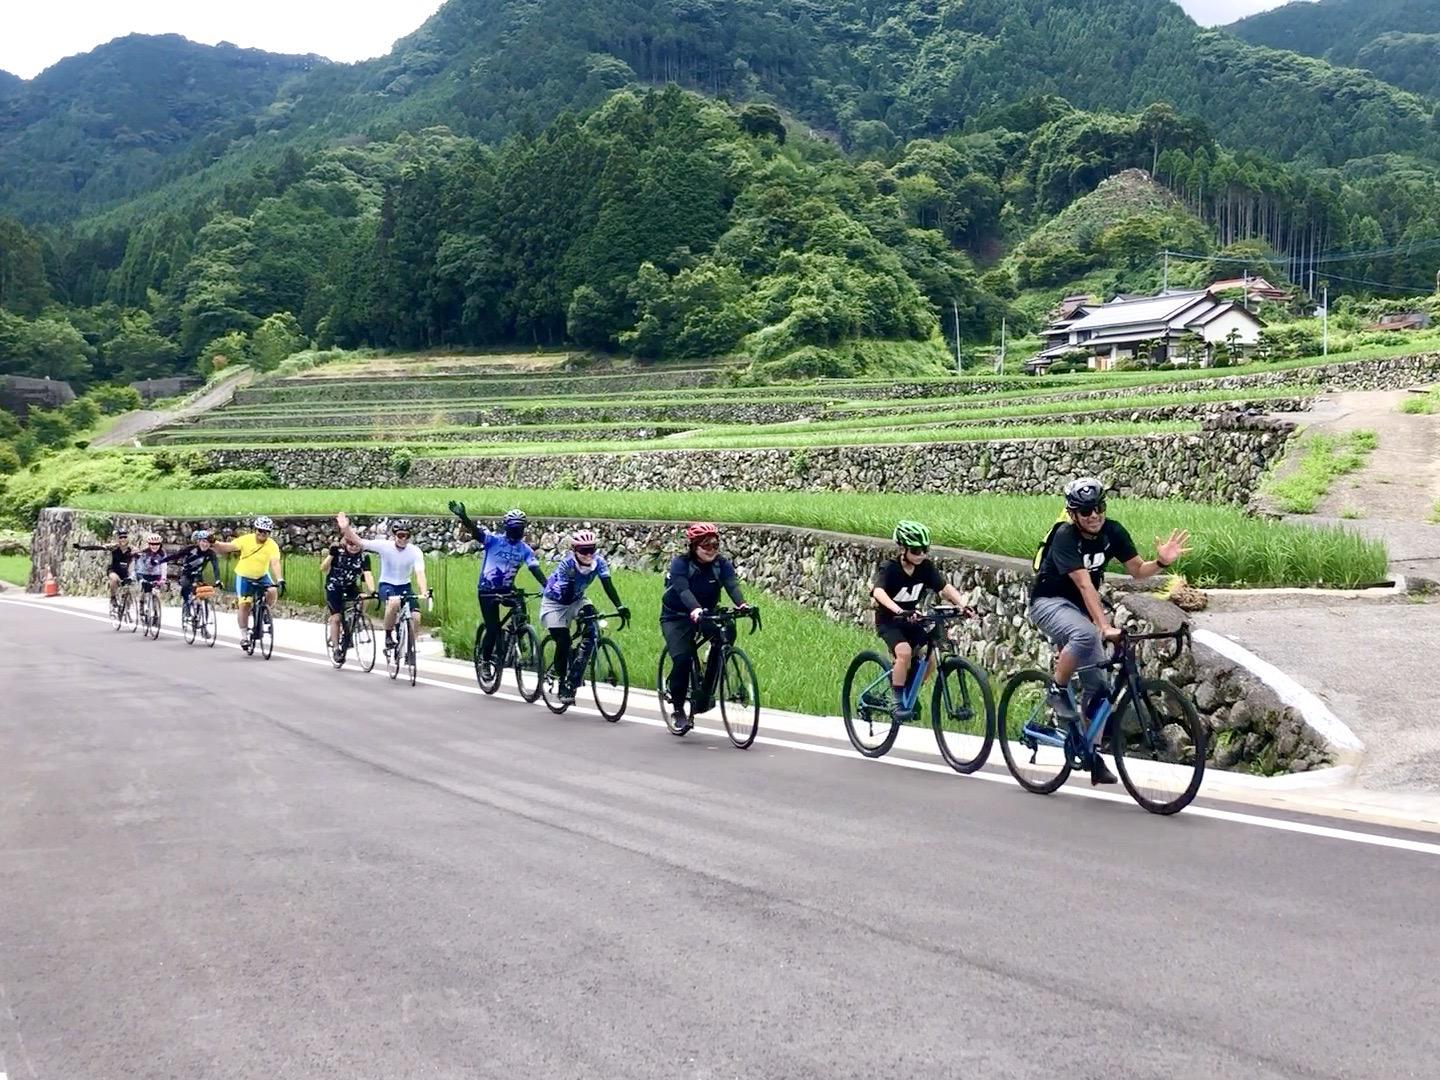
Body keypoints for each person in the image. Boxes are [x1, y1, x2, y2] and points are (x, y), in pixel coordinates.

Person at [1028, 476, 1189, 785]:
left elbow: (1138, 571)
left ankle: (1089, 750)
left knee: (1100, 688)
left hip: (1079, 610)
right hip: (1049, 602)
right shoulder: (1064, 536)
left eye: (1099, 508)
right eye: (1086, 511)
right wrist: (1103, 626)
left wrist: (1161, 562)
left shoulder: (1112, 531)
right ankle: (1057, 690)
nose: (1094, 516)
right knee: (1086, 635)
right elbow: (1084, 583)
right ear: (1073, 513)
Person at [871, 520, 965, 723]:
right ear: (903, 549)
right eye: (916, 550)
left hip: (912, 620)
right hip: (889, 621)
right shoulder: (890, 568)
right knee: (903, 653)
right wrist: (898, 610)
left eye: (925, 550)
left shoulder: (926, 568)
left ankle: (909, 692)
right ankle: (897, 702)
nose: (921, 555)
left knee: (930, 659)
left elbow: (944, 588)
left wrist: (963, 604)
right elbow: (878, 591)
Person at [659, 522, 749, 732]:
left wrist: (742, 604)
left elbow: (731, 585)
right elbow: (682, 590)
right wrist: (695, 609)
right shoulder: (680, 564)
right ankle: (679, 709)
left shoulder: (721, 564)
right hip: (676, 616)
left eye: (715, 545)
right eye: (705, 545)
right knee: (682, 660)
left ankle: (705, 692)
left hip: (707, 612)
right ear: (693, 546)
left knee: (726, 633)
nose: (711, 550)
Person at [448, 502, 548, 679]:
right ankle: (485, 661)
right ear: (507, 528)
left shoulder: (524, 549)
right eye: (514, 528)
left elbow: (535, 569)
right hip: (487, 590)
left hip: (508, 588)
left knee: (521, 604)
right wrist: (463, 517)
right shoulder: (494, 541)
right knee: (493, 629)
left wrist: (547, 587)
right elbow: (476, 532)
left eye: (521, 528)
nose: (518, 531)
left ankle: (520, 635)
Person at [539, 529, 628, 705]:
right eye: (583, 550)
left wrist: (620, 606)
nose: (588, 555)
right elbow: (565, 597)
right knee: (563, 642)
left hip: (578, 599)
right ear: (574, 550)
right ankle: (563, 684)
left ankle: (576, 673)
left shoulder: (599, 562)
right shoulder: (566, 565)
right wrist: (571, 581)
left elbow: (608, 585)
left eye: (591, 550)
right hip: (555, 603)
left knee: (593, 630)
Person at [335, 512, 430, 656]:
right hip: (387, 584)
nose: (403, 539)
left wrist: (424, 592)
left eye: (406, 536)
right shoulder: (385, 546)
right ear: (394, 536)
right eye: (400, 535)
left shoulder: (415, 551)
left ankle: (410, 646)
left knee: (416, 617)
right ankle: (388, 635)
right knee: (393, 603)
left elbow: (420, 573)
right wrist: (346, 529)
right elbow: (360, 542)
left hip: (405, 585)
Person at [212, 516, 285, 651]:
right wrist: (214, 542)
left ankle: (264, 611)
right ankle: (244, 636)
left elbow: (275, 562)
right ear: (255, 529)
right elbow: (228, 547)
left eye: (266, 531)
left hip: (262, 575)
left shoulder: (272, 545)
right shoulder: (246, 540)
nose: (262, 533)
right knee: (244, 605)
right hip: (245, 576)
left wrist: (280, 579)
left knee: (273, 591)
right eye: (260, 530)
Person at [320, 534, 375, 651]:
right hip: (334, 586)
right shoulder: (338, 552)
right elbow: (323, 568)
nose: (354, 547)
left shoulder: (364, 556)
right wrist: (330, 555)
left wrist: (373, 591)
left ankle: (354, 622)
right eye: (350, 544)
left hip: (350, 586)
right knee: (336, 617)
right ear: (345, 544)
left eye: (357, 545)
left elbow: (367, 574)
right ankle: (335, 648)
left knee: (364, 599)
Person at [176, 530, 222, 621]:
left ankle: (204, 623)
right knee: (187, 588)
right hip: (186, 574)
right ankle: (187, 608)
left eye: (208, 543)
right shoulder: (190, 549)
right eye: (203, 542)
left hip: (198, 575)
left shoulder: (211, 553)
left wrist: (218, 580)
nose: (205, 544)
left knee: (203, 595)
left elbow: (216, 567)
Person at [132, 532, 171, 605]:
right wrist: (140, 577)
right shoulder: (144, 553)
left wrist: (163, 578)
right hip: (144, 573)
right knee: (144, 589)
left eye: (157, 544)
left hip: (156, 575)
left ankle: (156, 609)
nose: (155, 546)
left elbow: (164, 566)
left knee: (156, 591)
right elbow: (139, 565)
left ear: (160, 544)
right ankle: (141, 603)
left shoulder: (162, 553)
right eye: (152, 544)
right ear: (149, 544)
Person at [105, 528, 134, 602]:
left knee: (129, 588)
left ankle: (126, 606)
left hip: (125, 572)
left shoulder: (132, 549)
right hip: (114, 571)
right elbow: (97, 548)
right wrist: (82, 547)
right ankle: (113, 598)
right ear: (118, 539)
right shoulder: (113, 547)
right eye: (121, 537)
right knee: (114, 579)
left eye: (125, 537)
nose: (123, 539)